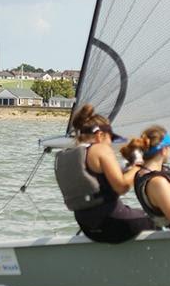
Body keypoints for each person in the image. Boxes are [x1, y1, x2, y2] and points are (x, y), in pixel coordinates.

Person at [54, 104, 156, 243]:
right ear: (100, 135)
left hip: (88, 227)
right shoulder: (100, 149)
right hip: (114, 221)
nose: (111, 144)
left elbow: (96, 181)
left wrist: (128, 169)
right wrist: (139, 165)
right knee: (161, 218)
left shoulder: (66, 155)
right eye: (111, 139)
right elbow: (122, 187)